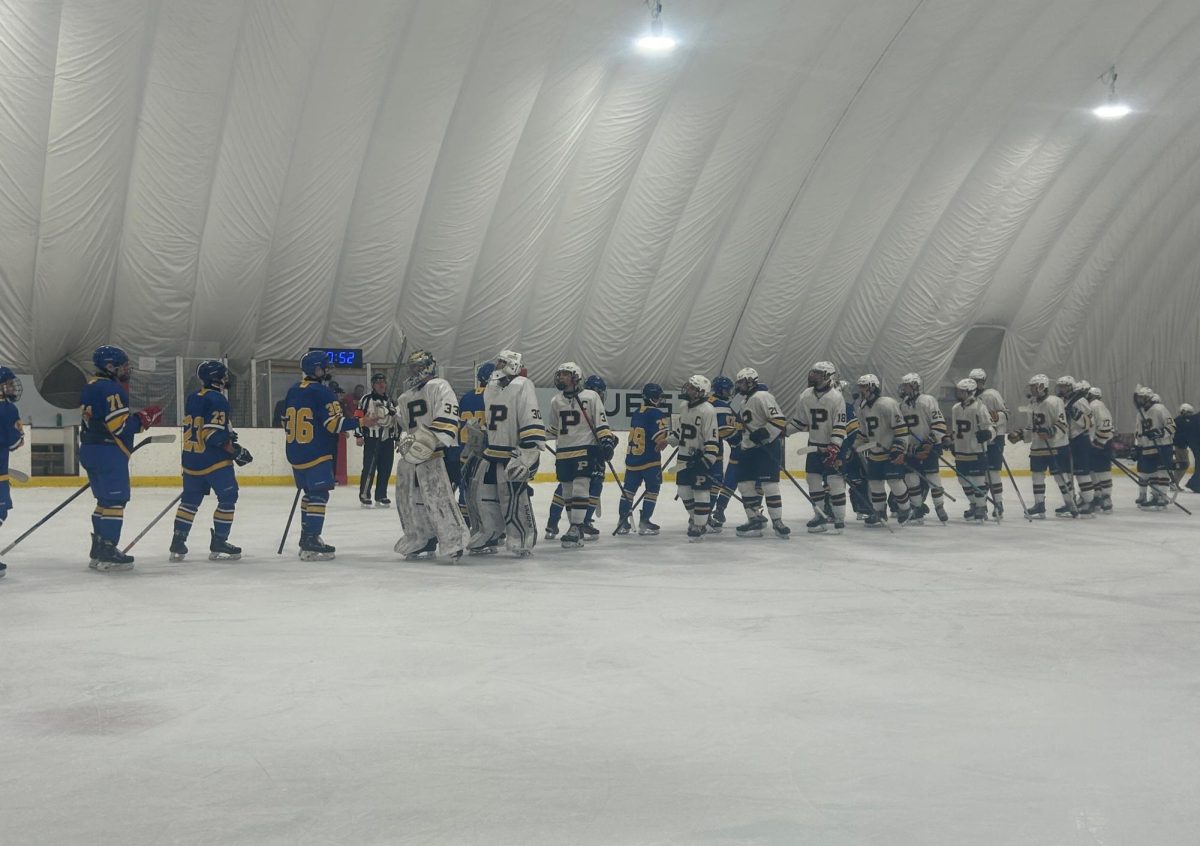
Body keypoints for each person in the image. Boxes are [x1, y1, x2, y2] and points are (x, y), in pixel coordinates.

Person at [282, 350, 376, 560]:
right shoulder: (322, 393)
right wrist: (362, 422)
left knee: (309, 494)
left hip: (296, 452)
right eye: (324, 367)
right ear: (316, 369)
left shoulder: (293, 390)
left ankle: (307, 536)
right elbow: (334, 424)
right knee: (319, 494)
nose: (327, 370)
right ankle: (312, 540)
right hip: (317, 452)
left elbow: (284, 421)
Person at [79, 345, 163, 570]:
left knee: (103, 501)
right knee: (116, 501)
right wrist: (143, 419)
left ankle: (98, 547)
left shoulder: (91, 385)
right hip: (108, 451)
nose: (127, 369)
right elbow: (120, 427)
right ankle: (108, 550)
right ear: (109, 367)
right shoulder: (111, 389)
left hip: (89, 448)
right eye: (123, 366)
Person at [169, 360, 252, 562]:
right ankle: (220, 541)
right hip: (213, 461)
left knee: (189, 501)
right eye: (224, 375)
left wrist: (228, 433)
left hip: (191, 459)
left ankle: (178, 542)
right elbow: (212, 434)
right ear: (216, 379)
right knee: (228, 497)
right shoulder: (218, 400)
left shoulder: (193, 397)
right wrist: (233, 451)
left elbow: (203, 426)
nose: (226, 379)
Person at [467, 349, 546, 557]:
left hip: (513, 453)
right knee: (483, 496)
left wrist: (527, 454)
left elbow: (531, 420)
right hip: (492, 452)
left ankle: (521, 537)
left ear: (513, 364)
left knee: (514, 499)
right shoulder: (490, 388)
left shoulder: (522, 385)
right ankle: (489, 533)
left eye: (502, 362)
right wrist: (481, 433)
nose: (498, 367)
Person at [392, 350, 469, 560]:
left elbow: (448, 416)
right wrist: (387, 416)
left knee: (439, 499)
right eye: (412, 367)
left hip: (440, 454)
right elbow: (405, 425)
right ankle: (424, 539)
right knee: (415, 500)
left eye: (418, 367)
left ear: (428, 366)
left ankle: (453, 541)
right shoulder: (405, 396)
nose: (414, 371)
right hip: (416, 458)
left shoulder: (439, 386)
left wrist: (430, 442)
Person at [546, 363, 615, 549]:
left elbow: (601, 423)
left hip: (585, 449)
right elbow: (554, 429)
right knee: (567, 491)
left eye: (565, 375)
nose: (560, 377)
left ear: (576, 377)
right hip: (564, 452)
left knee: (580, 487)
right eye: (559, 374)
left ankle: (577, 526)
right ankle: (574, 529)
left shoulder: (591, 397)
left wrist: (607, 441)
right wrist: (534, 436)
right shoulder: (556, 401)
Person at [730, 368, 789, 538]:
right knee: (744, 485)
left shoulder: (763, 396)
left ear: (751, 381)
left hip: (766, 447)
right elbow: (737, 418)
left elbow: (779, 420)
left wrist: (764, 432)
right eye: (738, 382)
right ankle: (754, 519)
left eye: (742, 382)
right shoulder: (741, 400)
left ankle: (777, 521)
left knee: (769, 486)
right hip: (747, 448)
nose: (739, 385)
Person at [1007, 374, 1074, 518]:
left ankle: (1070, 502)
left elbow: (1062, 424)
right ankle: (1039, 505)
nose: (1031, 389)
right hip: (1038, 446)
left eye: (1034, 386)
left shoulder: (1054, 402)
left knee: (1060, 476)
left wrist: (1051, 432)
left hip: (1056, 445)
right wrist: (1019, 435)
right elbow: (1032, 427)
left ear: (1042, 387)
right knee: (1037, 476)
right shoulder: (1033, 404)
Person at [794, 362, 849, 532]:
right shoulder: (806, 395)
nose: (813, 376)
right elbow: (800, 421)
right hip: (814, 446)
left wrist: (834, 446)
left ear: (828, 376)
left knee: (835, 482)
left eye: (818, 373)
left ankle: (839, 518)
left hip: (832, 446)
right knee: (813, 480)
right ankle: (820, 515)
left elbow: (840, 425)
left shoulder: (836, 398)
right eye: (813, 373)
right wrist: (781, 431)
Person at [855, 373, 912, 527]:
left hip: (891, 449)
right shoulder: (862, 407)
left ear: (873, 387)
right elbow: (863, 430)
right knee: (875, 483)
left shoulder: (887, 403)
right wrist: (855, 445)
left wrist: (899, 448)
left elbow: (901, 428)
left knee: (895, 481)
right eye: (860, 387)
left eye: (864, 387)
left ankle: (906, 509)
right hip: (875, 452)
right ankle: (879, 512)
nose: (861, 390)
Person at [668, 375, 720, 542]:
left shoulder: (708, 410)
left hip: (699, 458)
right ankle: (697, 518)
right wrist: (667, 441)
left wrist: (707, 459)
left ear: (700, 392)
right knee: (683, 491)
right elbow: (681, 431)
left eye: (692, 387)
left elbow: (712, 437)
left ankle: (700, 524)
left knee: (701, 491)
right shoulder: (684, 406)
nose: (688, 389)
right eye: (689, 386)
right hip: (683, 456)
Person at [616, 383, 669, 535]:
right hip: (650, 461)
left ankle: (622, 522)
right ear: (654, 398)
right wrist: (675, 437)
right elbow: (661, 441)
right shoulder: (656, 413)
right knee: (653, 489)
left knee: (628, 491)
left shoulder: (637, 412)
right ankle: (645, 521)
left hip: (632, 460)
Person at [898, 372, 947, 524]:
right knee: (910, 478)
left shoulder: (927, 400)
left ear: (914, 385)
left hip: (929, 446)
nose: (903, 388)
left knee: (933, 477)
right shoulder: (903, 405)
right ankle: (917, 508)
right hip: (912, 449)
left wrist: (930, 442)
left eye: (906, 385)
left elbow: (939, 424)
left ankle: (939, 506)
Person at [947, 378, 994, 522]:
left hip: (976, 450)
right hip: (961, 451)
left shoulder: (979, 407)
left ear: (970, 392)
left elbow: (990, 427)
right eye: (958, 391)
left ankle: (981, 507)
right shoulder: (956, 408)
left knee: (978, 480)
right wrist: (952, 441)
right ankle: (974, 504)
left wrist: (988, 434)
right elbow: (955, 429)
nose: (959, 393)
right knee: (963, 480)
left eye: (962, 391)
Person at [458, 362, 494, 527]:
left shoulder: (466, 396)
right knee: (485, 489)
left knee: (465, 488)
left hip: (464, 448)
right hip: (484, 450)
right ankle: (487, 526)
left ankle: (464, 524)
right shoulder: (494, 397)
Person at [969, 368, 1009, 516]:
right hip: (978, 441)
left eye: (978, 381)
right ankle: (981, 504)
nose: (976, 384)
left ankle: (998, 503)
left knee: (992, 473)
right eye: (973, 381)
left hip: (995, 439)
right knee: (980, 474)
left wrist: (990, 419)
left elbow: (1005, 413)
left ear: (983, 381)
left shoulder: (992, 394)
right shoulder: (969, 397)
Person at [356, 372, 397, 507]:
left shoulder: (390, 400)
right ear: (373, 385)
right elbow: (358, 416)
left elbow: (395, 420)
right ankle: (364, 494)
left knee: (385, 468)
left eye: (383, 382)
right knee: (369, 467)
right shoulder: (366, 399)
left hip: (387, 439)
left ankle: (381, 495)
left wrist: (396, 437)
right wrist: (359, 435)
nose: (382, 385)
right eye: (378, 383)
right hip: (372, 439)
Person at [1057, 375, 1096, 516]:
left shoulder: (1080, 401)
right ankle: (1071, 502)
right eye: (1060, 386)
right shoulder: (1063, 401)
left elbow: (1089, 422)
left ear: (1071, 387)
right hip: (1068, 440)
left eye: (1065, 386)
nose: (1062, 389)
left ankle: (1089, 502)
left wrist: (1075, 414)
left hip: (1080, 439)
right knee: (1068, 472)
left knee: (1082, 472)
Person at [1131, 386, 1175, 509]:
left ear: (1148, 398)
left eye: (1142, 398)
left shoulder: (1159, 408)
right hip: (1147, 446)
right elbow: (1138, 432)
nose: (1139, 401)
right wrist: (1137, 446)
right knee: (1151, 473)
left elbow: (1172, 426)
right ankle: (1155, 496)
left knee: (1162, 471)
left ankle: (1163, 496)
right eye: (1139, 398)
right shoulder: (1140, 414)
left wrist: (1160, 433)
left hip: (1163, 445)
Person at [0, 366, 25, 578]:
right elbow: (13, 441)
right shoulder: (7, 409)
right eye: (6, 384)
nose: (10, 388)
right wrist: (20, 436)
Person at [1086, 384, 1115, 511]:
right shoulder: (1093, 405)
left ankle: (1106, 498)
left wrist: (1099, 443)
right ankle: (1098, 496)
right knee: (1093, 471)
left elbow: (1105, 424)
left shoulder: (1096, 405)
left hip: (1101, 443)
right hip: (1096, 443)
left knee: (1103, 471)